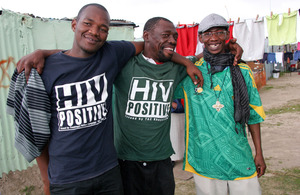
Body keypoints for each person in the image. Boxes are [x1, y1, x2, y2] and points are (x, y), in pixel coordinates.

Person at [8, 4, 203, 195]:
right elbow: (38, 131)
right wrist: (41, 52)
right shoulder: (48, 70)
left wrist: (186, 61)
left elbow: (152, 47)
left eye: (103, 29)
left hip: (108, 172)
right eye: (88, 24)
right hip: (70, 177)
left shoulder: (111, 55)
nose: (94, 32)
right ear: (74, 24)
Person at [174, 13, 266, 195]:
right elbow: (163, 58)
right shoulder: (190, 72)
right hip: (204, 158)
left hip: (239, 156)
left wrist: (259, 153)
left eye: (219, 33)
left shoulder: (243, 71)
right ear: (200, 38)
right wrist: (188, 60)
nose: (214, 38)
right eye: (207, 34)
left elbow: (253, 116)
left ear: (227, 35)